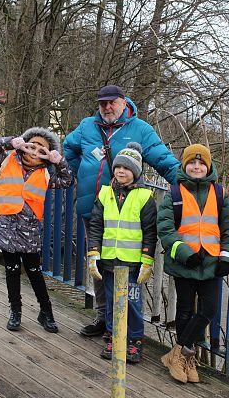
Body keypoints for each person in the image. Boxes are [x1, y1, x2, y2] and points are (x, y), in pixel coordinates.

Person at [63, 84, 179, 337]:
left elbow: (163, 160)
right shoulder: (87, 126)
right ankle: (103, 318)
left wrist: (186, 185)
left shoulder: (140, 130)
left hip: (125, 212)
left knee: (124, 268)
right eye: (102, 103)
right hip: (92, 209)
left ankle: (122, 325)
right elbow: (68, 147)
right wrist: (78, 172)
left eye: (111, 103)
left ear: (124, 102)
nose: (106, 108)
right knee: (97, 264)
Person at [157, 144, 229, 383]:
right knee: (184, 311)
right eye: (192, 163)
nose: (196, 166)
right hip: (185, 263)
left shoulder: (221, 194)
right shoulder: (174, 194)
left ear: (208, 166)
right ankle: (187, 359)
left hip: (212, 263)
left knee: (209, 309)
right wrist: (183, 252)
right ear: (184, 165)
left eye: (201, 163)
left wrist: (227, 258)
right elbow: (165, 229)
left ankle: (177, 353)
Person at [0, 127, 72, 333]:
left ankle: (46, 311)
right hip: (6, 227)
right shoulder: (6, 161)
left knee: (34, 270)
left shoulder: (46, 175)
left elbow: (67, 180)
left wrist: (57, 160)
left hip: (29, 230)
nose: (34, 152)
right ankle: (15, 310)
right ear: (23, 147)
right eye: (31, 146)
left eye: (41, 149)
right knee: (12, 270)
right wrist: (12, 142)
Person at [87, 142, 157, 363]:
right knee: (111, 301)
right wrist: (93, 253)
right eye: (118, 167)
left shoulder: (145, 197)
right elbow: (96, 224)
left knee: (133, 304)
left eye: (126, 168)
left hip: (133, 263)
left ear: (135, 172)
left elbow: (150, 231)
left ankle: (135, 340)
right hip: (109, 259)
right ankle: (113, 336)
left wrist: (147, 259)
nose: (121, 171)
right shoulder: (105, 192)